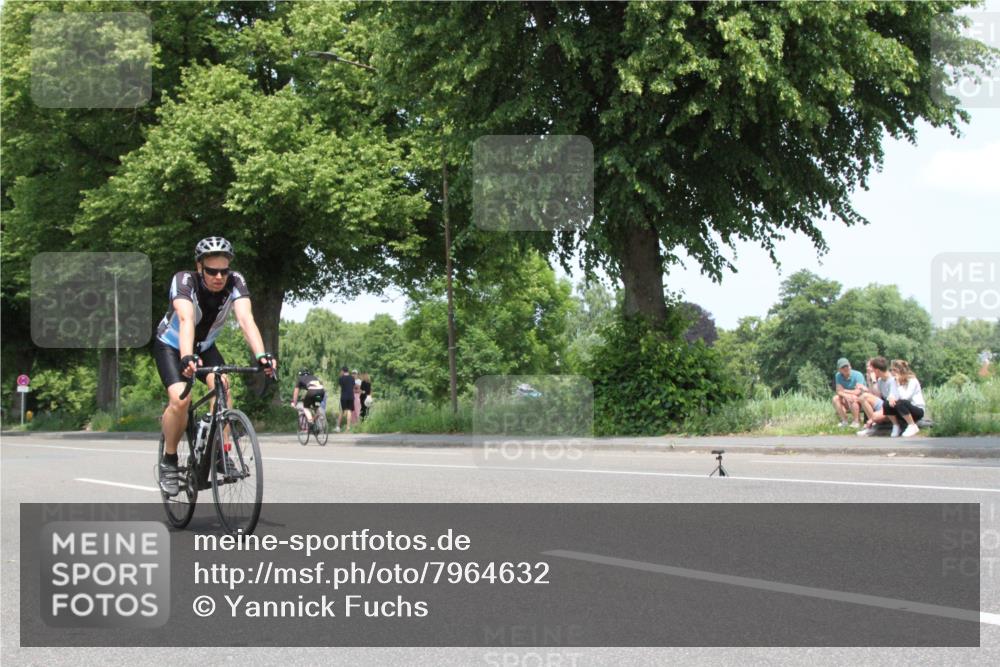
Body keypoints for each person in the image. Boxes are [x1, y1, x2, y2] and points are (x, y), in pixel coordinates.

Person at [153, 236, 275, 496]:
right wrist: (187, 357)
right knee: (181, 400)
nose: (219, 277)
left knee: (223, 386)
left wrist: (262, 355)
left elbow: (246, 319)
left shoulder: (236, 281)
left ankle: (220, 451)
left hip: (205, 346)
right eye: (212, 271)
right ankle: (169, 460)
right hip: (172, 346)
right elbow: (186, 319)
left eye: (224, 271)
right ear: (200, 267)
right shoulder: (184, 280)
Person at [885, 359, 927, 438]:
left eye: (894, 370)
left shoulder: (912, 381)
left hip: (916, 409)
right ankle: (896, 425)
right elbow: (892, 394)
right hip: (902, 410)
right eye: (891, 370)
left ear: (901, 371)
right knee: (886, 403)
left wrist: (899, 384)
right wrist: (890, 398)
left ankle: (912, 425)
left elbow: (905, 397)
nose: (892, 372)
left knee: (902, 402)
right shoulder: (893, 381)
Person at [856, 356, 896, 437]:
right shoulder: (880, 380)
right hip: (884, 404)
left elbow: (893, 400)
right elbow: (876, 396)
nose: (871, 371)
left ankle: (873, 424)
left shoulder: (892, 380)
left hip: (892, 406)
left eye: (872, 369)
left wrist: (874, 380)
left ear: (877, 370)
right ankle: (872, 425)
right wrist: (870, 380)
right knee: (863, 397)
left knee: (874, 416)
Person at [831, 357, 866, 428]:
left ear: (850, 366)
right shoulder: (838, 375)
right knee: (835, 398)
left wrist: (845, 391)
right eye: (843, 367)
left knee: (852, 397)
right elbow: (838, 391)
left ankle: (856, 421)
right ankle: (844, 421)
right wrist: (845, 395)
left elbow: (858, 392)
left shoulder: (858, 375)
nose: (845, 368)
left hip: (862, 399)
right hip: (847, 398)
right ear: (839, 369)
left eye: (847, 366)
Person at [335, 366, 354, 433]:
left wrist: (341, 376)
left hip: (344, 397)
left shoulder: (341, 378)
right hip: (351, 396)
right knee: (349, 411)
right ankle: (348, 427)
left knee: (342, 411)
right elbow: (353, 386)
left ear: (343, 371)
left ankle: (338, 427)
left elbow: (341, 385)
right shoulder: (352, 378)